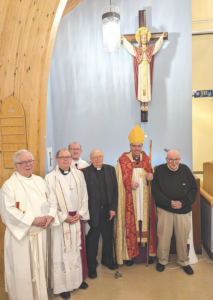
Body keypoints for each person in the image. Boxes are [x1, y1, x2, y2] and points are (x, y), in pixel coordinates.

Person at [0, 149, 59, 300]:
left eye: (30, 161)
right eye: (23, 162)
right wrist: (33, 220)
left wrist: (50, 216)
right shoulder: (9, 186)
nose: (28, 164)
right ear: (15, 165)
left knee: (39, 270)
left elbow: (52, 201)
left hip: (39, 234)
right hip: (21, 237)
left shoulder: (40, 181)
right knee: (22, 271)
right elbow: (8, 212)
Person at [45, 149, 89, 299]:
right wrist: (63, 217)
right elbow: (49, 202)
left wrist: (81, 213)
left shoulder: (79, 174)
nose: (66, 160)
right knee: (62, 252)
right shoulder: (50, 177)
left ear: (72, 159)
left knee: (76, 250)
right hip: (61, 221)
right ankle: (63, 286)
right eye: (62, 157)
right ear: (57, 159)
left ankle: (78, 280)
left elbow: (84, 196)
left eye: (68, 157)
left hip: (76, 218)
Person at [114, 125, 156, 266]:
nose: (137, 148)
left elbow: (153, 180)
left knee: (144, 223)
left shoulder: (147, 160)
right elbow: (118, 182)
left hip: (143, 200)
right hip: (129, 199)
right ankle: (129, 255)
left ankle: (146, 255)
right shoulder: (123, 161)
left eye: (139, 146)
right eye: (134, 146)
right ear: (130, 146)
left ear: (142, 146)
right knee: (132, 225)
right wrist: (128, 184)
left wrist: (152, 176)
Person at [152, 150, 198, 275]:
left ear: (180, 159)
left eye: (176, 159)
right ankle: (162, 261)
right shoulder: (159, 171)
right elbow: (155, 190)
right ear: (166, 159)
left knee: (182, 237)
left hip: (183, 210)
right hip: (165, 209)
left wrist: (183, 202)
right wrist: (169, 202)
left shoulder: (186, 170)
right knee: (163, 237)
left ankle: (183, 261)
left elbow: (193, 189)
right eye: (171, 159)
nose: (174, 162)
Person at [82, 150, 118, 279]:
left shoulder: (110, 170)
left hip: (108, 211)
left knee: (108, 238)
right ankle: (92, 265)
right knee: (92, 240)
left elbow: (115, 190)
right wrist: (85, 214)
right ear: (90, 159)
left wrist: (113, 208)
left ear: (103, 157)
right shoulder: (85, 172)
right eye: (95, 157)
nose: (98, 159)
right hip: (92, 213)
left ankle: (107, 260)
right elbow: (83, 195)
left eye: (100, 156)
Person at [121, 28, 167, 111]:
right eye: (142, 38)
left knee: (147, 84)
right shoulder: (137, 50)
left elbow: (156, 46)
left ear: (147, 38)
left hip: (147, 70)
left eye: (145, 38)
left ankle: (146, 102)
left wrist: (161, 38)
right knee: (141, 84)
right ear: (140, 39)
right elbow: (130, 47)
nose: (144, 39)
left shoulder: (150, 50)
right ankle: (142, 102)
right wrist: (124, 40)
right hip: (141, 70)